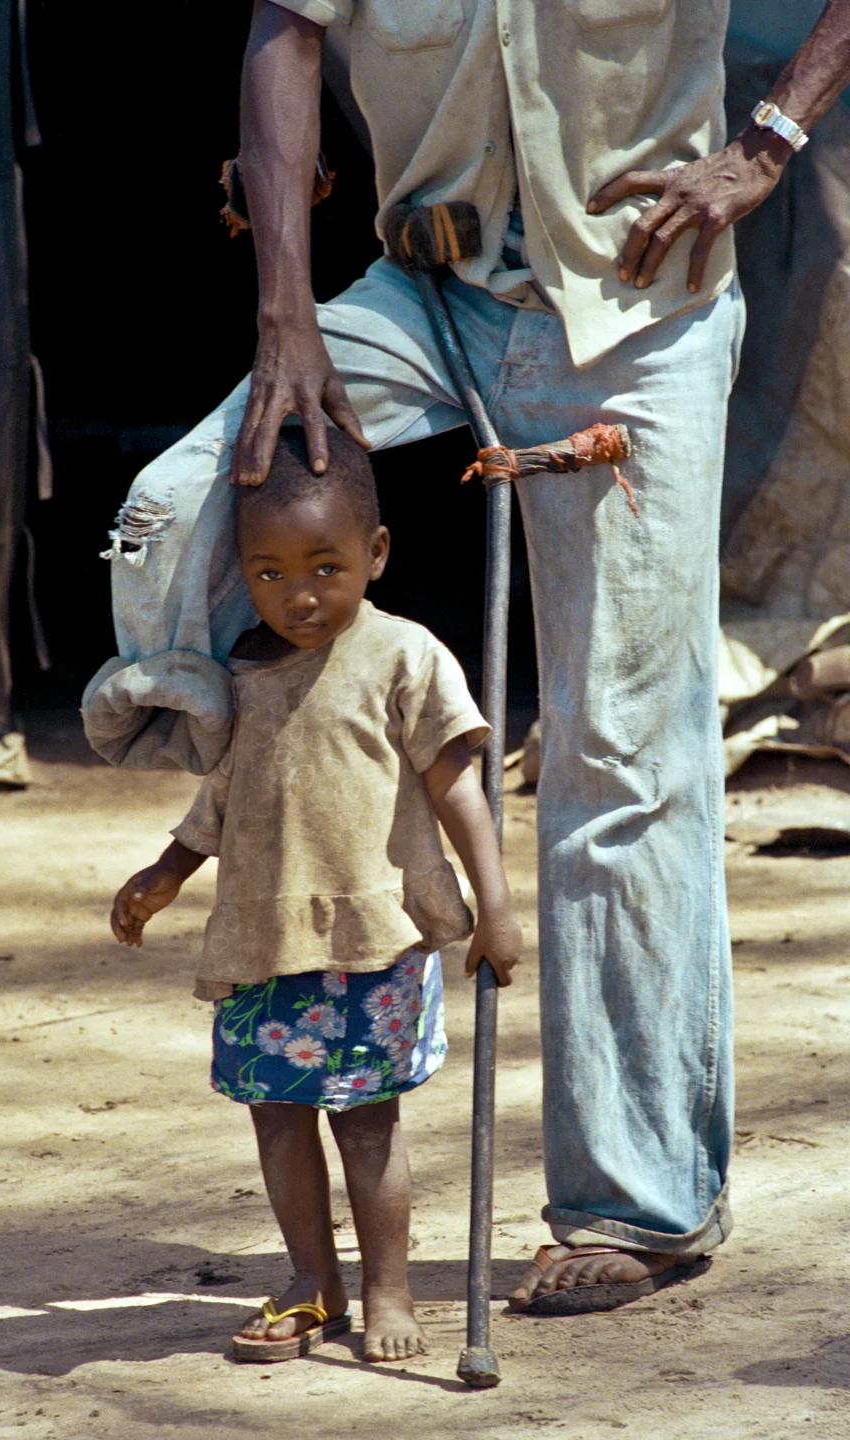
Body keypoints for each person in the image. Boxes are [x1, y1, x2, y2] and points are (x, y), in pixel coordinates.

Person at [85, 1, 850, 1313]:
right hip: (426, 298)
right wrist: (286, 316)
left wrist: (769, 140)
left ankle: (639, 1206)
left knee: (622, 757)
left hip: (638, 313)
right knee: (175, 512)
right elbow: (286, 31)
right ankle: (292, 790)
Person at [109, 427, 522, 1361]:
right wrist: (166, 874)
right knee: (277, 1118)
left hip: (371, 938)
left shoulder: (405, 656)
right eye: (269, 573)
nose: (299, 594)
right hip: (262, 939)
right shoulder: (244, 672)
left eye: (326, 567)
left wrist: (494, 906)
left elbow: (458, 787)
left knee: (368, 1126)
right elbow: (227, 798)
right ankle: (312, 1281)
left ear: (376, 553)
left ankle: (388, 1291)